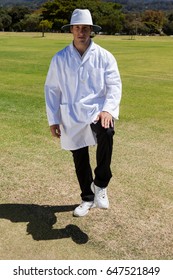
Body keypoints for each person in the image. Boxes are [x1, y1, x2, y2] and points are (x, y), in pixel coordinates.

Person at [45, 9, 122, 217]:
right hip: (70, 112)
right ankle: (87, 198)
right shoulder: (60, 58)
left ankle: (101, 184)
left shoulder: (105, 56)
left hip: (97, 110)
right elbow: (52, 89)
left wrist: (107, 109)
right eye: (77, 28)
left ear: (91, 31)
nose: (81, 32)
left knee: (106, 132)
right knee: (79, 156)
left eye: (85, 28)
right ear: (71, 30)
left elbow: (114, 85)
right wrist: (54, 119)